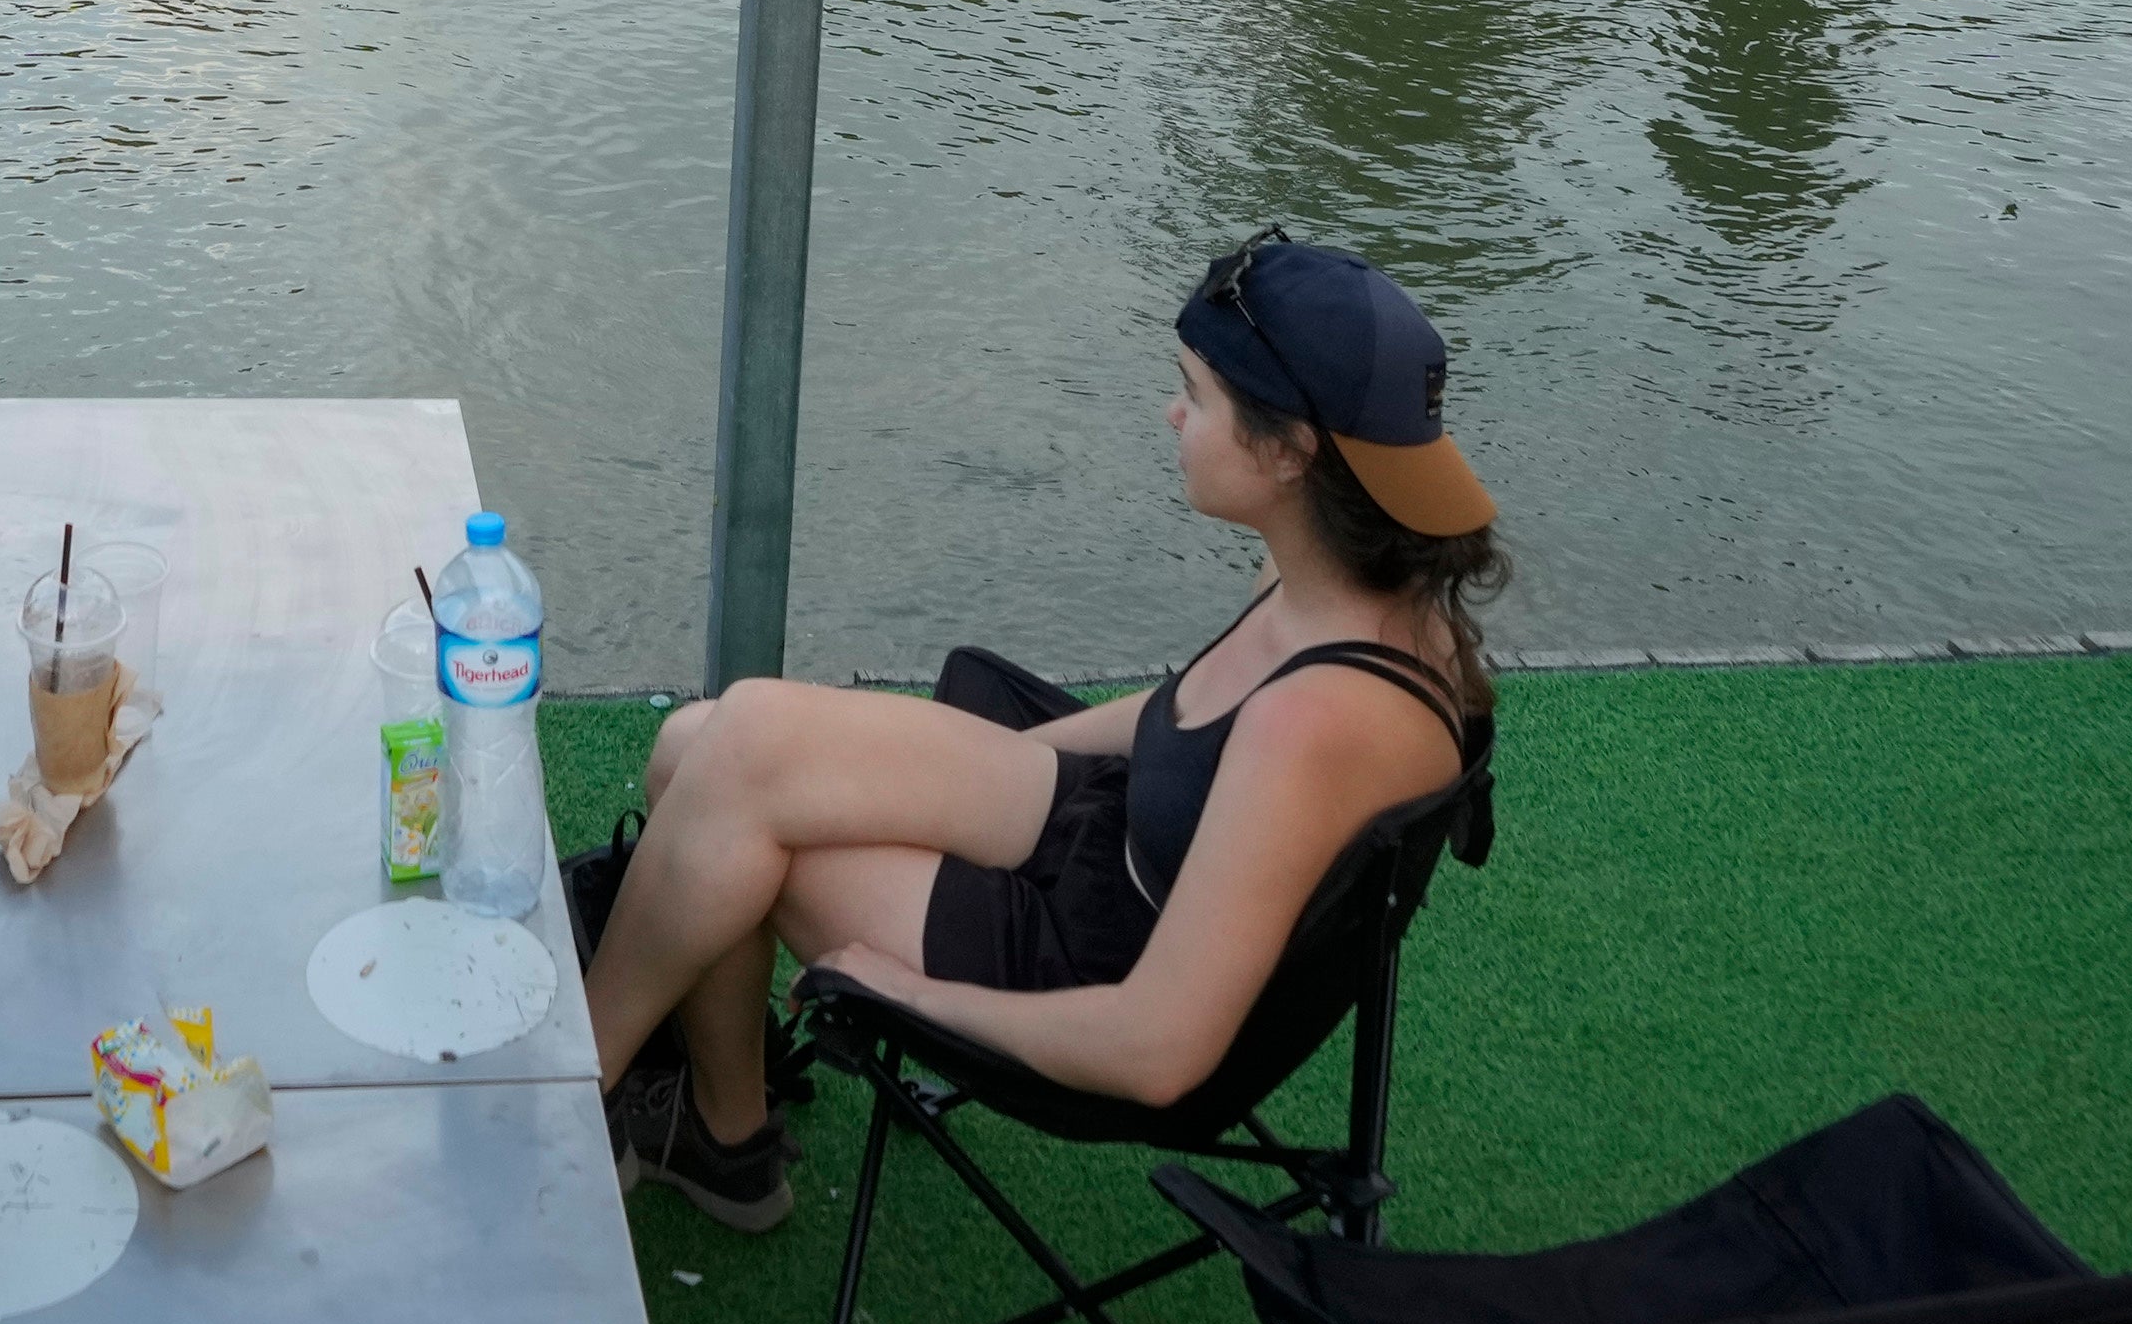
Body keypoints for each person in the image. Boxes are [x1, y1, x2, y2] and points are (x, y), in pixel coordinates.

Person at [575, 233, 1498, 1231]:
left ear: (1288, 450)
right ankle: (718, 1138)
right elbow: (1175, 725)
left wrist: (908, 998)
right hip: (1117, 837)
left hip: (1095, 973)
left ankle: (569, 1104)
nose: (1173, 412)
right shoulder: (1349, 583)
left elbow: (1157, 1049)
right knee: (712, 740)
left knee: (728, 809)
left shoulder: (1318, 720)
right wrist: (958, 763)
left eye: (1197, 394)